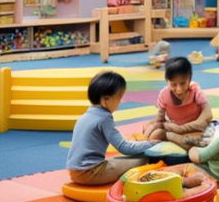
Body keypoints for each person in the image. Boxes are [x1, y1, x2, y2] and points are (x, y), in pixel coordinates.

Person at [66, 71, 203, 187]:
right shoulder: (104, 118)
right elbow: (124, 147)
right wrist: (152, 144)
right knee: (143, 158)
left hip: (74, 171)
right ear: (105, 99)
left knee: (125, 158)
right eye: (118, 98)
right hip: (90, 173)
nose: (120, 103)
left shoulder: (88, 114)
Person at [142, 56, 212, 149]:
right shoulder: (164, 94)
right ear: (167, 81)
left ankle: (170, 137)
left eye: (183, 83)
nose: (179, 90)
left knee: (202, 140)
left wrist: (181, 129)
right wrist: (155, 126)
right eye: (173, 84)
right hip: (175, 127)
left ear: (189, 79)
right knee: (151, 128)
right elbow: (160, 118)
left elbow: (207, 116)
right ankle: (144, 145)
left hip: (194, 129)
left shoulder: (196, 93)